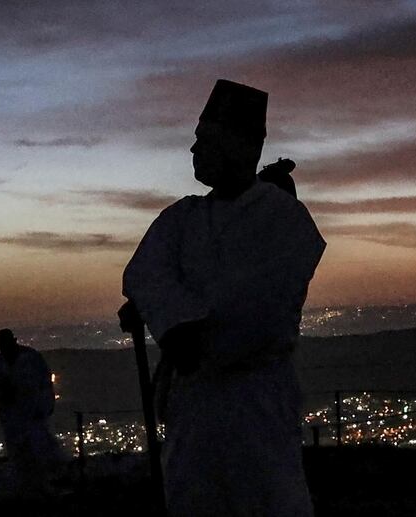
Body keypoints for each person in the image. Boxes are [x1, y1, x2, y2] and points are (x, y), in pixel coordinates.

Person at [121, 79, 325, 516]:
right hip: (194, 404)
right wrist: (173, 320)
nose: (194, 151)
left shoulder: (284, 218)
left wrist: (191, 328)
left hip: (255, 400)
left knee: (267, 496)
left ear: (235, 146)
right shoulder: (181, 218)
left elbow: (263, 304)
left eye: (203, 141)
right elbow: (144, 273)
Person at [0, 328, 64, 492]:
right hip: (13, 418)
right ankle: (29, 485)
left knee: (40, 449)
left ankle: (48, 483)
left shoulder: (31, 358)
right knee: (20, 454)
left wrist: (45, 405)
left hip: (33, 414)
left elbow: (45, 384)